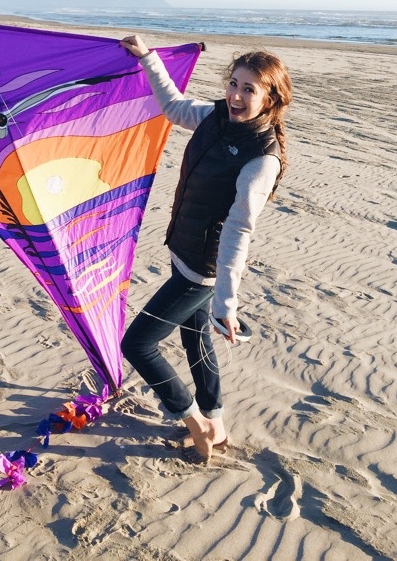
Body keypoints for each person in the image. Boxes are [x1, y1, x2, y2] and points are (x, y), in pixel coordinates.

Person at [119, 34, 292, 464]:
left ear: (270, 100)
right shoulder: (215, 117)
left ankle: (194, 423)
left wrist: (226, 304)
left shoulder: (261, 158)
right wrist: (148, 58)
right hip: (183, 250)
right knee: (195, 338)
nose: (236, 95)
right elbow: (175, 108)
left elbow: (239, 230)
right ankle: (215, 421)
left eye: (249, 89)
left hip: (202, 267)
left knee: (138, 345)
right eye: (233, 83)